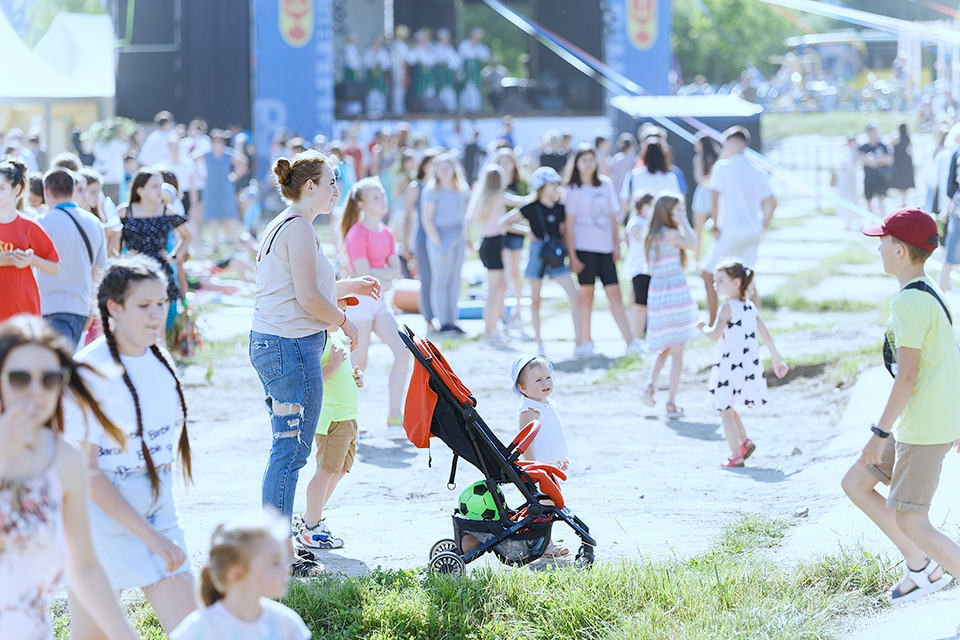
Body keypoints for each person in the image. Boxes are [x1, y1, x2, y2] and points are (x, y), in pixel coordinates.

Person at [64, 256, 198, 636]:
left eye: (161, 303)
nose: (157, 315)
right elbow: (86, 475)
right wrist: (149, 535)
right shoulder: (89, 371)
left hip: (158, 506)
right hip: (101, 516)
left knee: (193, 630)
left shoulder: (160, 359)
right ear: (114, 308)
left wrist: (157, 526)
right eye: (144, 306)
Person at [250, 150, 378, 522]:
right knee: (289, 453)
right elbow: (307, 298)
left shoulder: (287, 222)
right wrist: (345, 322)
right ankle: (279, 547)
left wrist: (347, 286)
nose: (337, 190)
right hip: (287, 346)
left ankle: (279, 543)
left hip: (278, 344)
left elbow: (300, 289)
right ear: (310, 187)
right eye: (332, 182)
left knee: (288, 450)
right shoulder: (299, 227)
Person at [842, 207, 960, 605]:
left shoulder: (908, 303)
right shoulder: (929, 290)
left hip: (922, 428)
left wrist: (878, 434)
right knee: (856, 484)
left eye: (883, 241)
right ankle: (921, 566)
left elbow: (907, 376)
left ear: (899, 250)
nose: (878, 248)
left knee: (913, 519)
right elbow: (948, 359)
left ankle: (932, 566)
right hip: (928, 421)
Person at [0, 316, 137, 640]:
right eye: (20, 378)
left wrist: (125, 635)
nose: (35, 391)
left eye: (48, 379)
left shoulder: (64, 460)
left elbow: (85, 567)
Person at [698, 260, 788, 467]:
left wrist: (702, 327)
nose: (715, 285)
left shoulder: (727, 308)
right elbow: (766, 336)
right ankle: (745, 442)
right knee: (729, 407)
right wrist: (776, 360)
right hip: (746, 367)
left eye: (720, 280)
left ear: (736, 283)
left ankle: (736, 454)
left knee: (725, 409)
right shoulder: (750, 308)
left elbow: (714, 335)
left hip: (729, 366)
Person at [170, 513, 310, 640]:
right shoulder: (198, 630)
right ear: (237, 575)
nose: (287, 569)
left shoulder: (285, 624)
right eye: (275, 563)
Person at [340, 177, 410, 429]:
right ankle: (349, 420)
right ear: (361, 204)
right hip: (359, 303)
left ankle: (394, 415)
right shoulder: (356, 233)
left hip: (379, 302)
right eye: (376, 197)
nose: (383, 200)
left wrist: (378, 273)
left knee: (404, 353)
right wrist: (383, 275)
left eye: (382, 195)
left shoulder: (388, 233)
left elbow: (396, 271)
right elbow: (362, 275)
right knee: (360, 362)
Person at [562, 145, 636, 358]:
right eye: (583, 159)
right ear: (576, 163)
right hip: (584, 248)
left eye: (591, 159)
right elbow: (569, 224)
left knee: (615, 292)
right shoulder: (573, 189)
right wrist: (572, 254)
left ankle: (630, 341)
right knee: (587, 295)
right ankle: (586, 341)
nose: (588, 163)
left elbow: (614, 216)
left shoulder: (606, 184)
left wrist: (616, 244)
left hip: (605, 248)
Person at [500, 167, 582, 357]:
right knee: (535, 300)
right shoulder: (530, 207)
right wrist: (527, 232)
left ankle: (579, 342)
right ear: (543, 186)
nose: (556, 187)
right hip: (538, 253)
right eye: (553, 183)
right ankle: (539, 343)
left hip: (556, 254)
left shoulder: (561, 208)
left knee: (575, 296)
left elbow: (564, 232)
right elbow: (504, 222)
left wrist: (571, 254)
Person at [295, 330, 363, 551]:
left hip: (348, 417)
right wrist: (334, 365)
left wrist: (356, 378)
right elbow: (310, 382)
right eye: (339, 307)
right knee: (325, 471)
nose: (343, 314)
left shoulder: (335, 339)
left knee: (340, 469)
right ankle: (311, 528)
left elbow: (340, 375)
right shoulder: (317, 341)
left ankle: (307, 519)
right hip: (333, 418)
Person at [703, 126, 776, 326]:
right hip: (753, 231)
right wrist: (763, 225)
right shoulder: (757, 170)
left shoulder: (723, 167)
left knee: (708, 273)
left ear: (733, 142)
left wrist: (715, 225)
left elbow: (715, 199)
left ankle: (712, 324)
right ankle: (754, 323)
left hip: (731, 231)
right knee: (748, 278)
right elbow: (771, 202)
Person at [641, 192, 700, 418]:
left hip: (657, 294)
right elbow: (694, 244)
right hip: (675, 293)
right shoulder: (672, 234)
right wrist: (684, 220)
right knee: (677, 350)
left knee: (666, 345)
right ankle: (671, 402)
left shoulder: (651, 235)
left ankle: (649, 386)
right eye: (678, 209)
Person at [37, 168, 108, 349]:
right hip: (81, 307)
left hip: (50, 305)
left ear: (46, 191)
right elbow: (98, 270)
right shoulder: (94, 223)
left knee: (56, 369)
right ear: (72, 189)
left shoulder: (42, 222)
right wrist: (91, 306)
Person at [511, 353, 570, 558]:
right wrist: (534, 469)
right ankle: (545, 544)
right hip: (539, 469)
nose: (545, 383)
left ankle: (544, 542)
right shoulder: (529, 409)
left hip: (549, 466)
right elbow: (527, 443)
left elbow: (552, 435)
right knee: (544, 507)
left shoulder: (546, 403)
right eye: (538, 380)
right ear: (522, 388)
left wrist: (559, 459)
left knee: (551, 504)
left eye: (548, 378)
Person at [465, 164, 526, 344]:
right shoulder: (498, 197)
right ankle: (488, 332)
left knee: (499, 288)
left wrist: (470, 241)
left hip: (488, 243)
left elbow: (468, 221)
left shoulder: (482, 197)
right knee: (493, 291)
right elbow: (520, 201)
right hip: (493, 243)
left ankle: (493, 329)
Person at [117, 169, 192, 304]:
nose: (160, 191)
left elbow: (187, 236)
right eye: (154, 186)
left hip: (161, 272)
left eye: (160, 186)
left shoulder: (166, 211)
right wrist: (121, 257)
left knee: (161, 320)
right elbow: (108, 238)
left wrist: (173, 257)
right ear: (140, 190)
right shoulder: (124, 212)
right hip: (133, 271)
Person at [0, 159, 60, 323]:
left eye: (1, 188)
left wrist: (31, 259)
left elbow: (54, 267)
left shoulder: (29, 226)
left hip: (23, 310)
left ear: (16, 189)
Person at [420, 154, 470, 335]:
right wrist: (439, 243)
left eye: (448, 167)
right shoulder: (431, 190)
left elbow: (466, 215)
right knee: (441, 281)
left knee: (455, 280)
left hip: (458, 236)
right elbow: (427, 219)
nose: (445, 171)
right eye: (441, 167)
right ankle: (442, 321)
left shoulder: (462, 189)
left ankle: (452, 320)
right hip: (440, 236)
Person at [193, 130, 247, 254]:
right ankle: (215, 245)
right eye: (215, 141)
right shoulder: (206, 154)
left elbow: (243, 161)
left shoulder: (228, 153)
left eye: (220, 141)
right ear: (211, 142)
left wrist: (235, 175)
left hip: (226, 188)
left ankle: (236, 244)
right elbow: (192, 159)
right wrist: (200, 175)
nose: (218, 143)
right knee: (213, 217)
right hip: (211, 189)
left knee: (231, 216)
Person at [493, 147, 529, 331]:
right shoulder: (495, 184)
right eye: (502, 162)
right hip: (499, 233)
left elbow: (525, 208)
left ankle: (518, 309)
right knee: (504, 274)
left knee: (515, 272)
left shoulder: (520, 184)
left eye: (508, 162)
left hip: (516, 232)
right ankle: (501, 313)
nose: (505, 166)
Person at [402, 152, 438, 329]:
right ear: (424, 165)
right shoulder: (416, 186)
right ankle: (429, 318)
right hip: (423, 237)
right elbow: (407, 215)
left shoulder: (440, 186)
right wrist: (405, 241)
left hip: (441, 237)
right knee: (426, 277)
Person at [619, 139, 681, 222]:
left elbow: (625, 200)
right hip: (663, 222)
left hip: (639, 222)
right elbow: (677, 202)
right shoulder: (670, 177)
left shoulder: (633, 175)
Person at [624, 193, 655, 349]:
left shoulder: (651, 223)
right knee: (640, 304)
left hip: (649, 270)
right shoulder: (637, 222)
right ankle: (636, 339)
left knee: (642, 303)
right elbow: (638, 235)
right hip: (640, 269)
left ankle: (641, 336)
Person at [691, 133, 719, 262]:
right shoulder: (717, 158)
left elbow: (698, 179)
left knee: (699, 231)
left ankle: (698, 260)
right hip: (714, 192)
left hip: (704, 194)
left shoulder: (699, 158)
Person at [860, 123, 893, 217]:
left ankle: (882, 219)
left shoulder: (882, 146)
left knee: (882, 199)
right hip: (869, 178)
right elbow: (863, 159)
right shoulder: (864, 147)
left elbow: (889, 160)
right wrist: (877, 161)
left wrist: (876, 160)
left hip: (881, 178)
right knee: (869, 200)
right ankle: (871, 220)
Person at [459, 27, 490, 113]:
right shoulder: (464, 44)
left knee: (475, 90)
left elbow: (486, 56)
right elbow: (460, 59)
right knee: (466, 89)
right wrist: (459, 71)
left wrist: (476, 48)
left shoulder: (481, 47)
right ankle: (464, 109)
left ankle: (475, 109)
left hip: (476, 73)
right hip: (466, 71)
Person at [890, 123, 915, 208]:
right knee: (904, 183)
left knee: (901, 182)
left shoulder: (897, 138)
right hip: (906, 161)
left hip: (898, 162)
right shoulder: (907, 138)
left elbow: (889, 145)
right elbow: (911, 149)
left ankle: (902, 200)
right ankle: (903, 200)